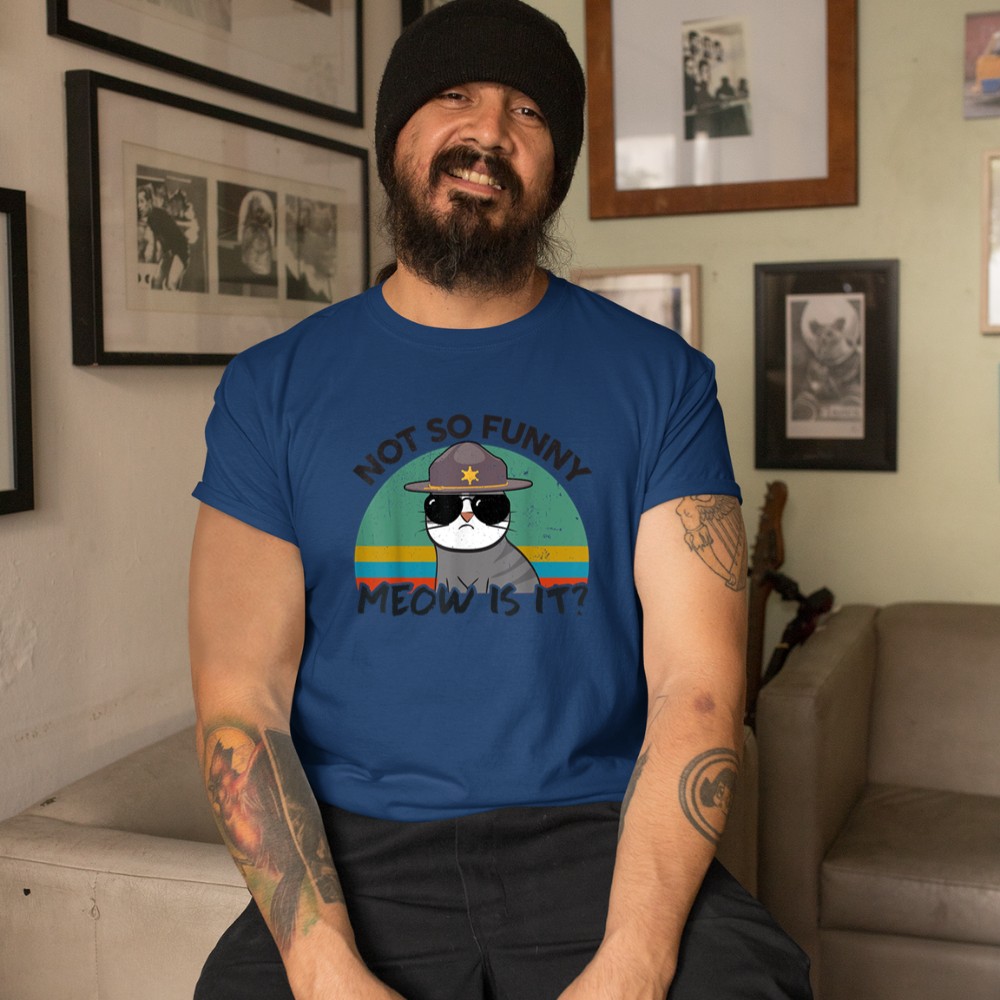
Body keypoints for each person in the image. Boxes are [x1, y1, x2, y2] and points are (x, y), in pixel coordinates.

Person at [188, 2, 813, 999]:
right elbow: (240, 699)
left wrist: (636, 960)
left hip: (596, 833)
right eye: (453, 97)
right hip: (357, 846)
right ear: (395, 138)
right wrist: (321, 966)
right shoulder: (271, 389)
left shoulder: (662, 380)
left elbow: (696, 685)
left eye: (527, 111)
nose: (488, 132)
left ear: (555, 169)